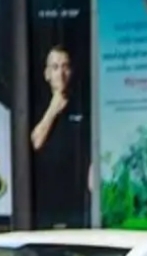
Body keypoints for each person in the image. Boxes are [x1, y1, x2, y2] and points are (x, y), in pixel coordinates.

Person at [31, 44, 91, 228]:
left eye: (65, 66)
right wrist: (53, 109)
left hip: (76, 198)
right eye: (55, 67)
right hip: (47, 198)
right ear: (47, 74)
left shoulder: (83, 105)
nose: (61, 73)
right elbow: (36, 142)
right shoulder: (36, 106)